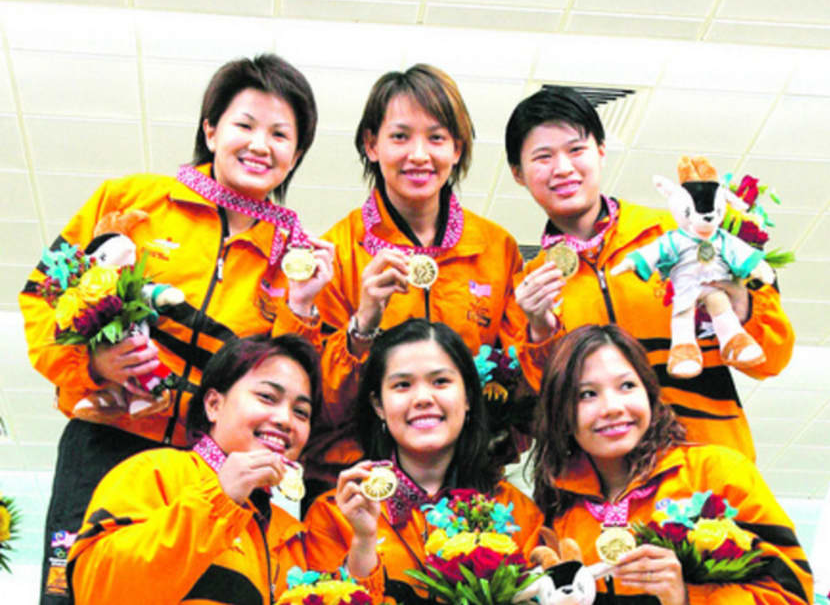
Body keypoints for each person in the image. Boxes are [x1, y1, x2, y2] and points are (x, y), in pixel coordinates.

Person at [18, 53, 334, 603]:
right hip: (103, 441)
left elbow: (285, 378)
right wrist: (91, 364)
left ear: (297, 154)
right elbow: (42, 296)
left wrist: (303, 307)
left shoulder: (296, 259)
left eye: (281, 134)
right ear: (211, 129)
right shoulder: (130, 202)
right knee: (70, 593)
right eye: (245, 125)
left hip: (208, 468)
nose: (260, 145)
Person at [506, 86, 794, 461]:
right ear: (518, 173)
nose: (563, 168)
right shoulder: (531, 288)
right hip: (604, 489)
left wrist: (738, 301)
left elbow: (772, 358)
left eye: (576, 150)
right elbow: (549, 406)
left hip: (707, 475)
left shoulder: (676, 235)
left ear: (601, 151)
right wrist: (540, 329)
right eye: (543, 157)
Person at [306, 64, 545, 496]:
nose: (419, 155)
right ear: (371, 144)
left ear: (457, 149)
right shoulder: (338, 252)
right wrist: (362, 326)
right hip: (354, 487)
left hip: (468, 486)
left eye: (436, 138)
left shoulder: (496, 248)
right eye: (400, 137)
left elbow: (518, 386)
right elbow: (317, 403)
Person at [68, 333, 379, 603]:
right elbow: (99, 591)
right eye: (267, 397)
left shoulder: (289, 532)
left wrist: (363, 544)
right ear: (214, 404)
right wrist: (220, 497)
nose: (285, 420)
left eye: (301, 412)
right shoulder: (154, 472)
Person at [531, 324, 812, 604]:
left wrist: (687, 597)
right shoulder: (556, 508)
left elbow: (792, 595)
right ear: (562, 413)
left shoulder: (715, 472)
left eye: (627, 386)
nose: (612, 407)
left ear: (650, 393)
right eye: (587, 394)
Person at [304, 319, 544, 604]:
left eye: (440, 381)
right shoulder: (335, 514)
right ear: (378, 406)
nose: (422, 398)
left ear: (468, 396)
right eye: (402, 385)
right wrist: (363, 541)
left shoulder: (514, 512)